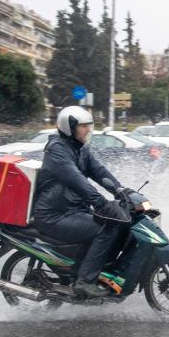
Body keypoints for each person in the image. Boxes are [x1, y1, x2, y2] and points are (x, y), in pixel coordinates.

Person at [33, 106, 128, 298]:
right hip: (54, 215)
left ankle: (99, 271)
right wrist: (101, 202)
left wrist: (121, 191)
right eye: (83, 126)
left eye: (89, 126)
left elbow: (99, 171)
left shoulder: (80, 148)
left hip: (73, 210)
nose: (88, 130)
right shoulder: (57, 150)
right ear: (69, 128)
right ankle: (85, 282)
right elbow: (77, 180)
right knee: (106, 228)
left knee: (122, 224)